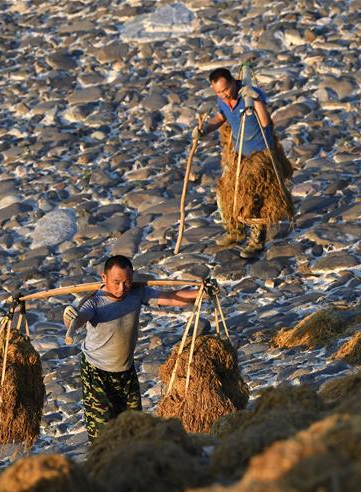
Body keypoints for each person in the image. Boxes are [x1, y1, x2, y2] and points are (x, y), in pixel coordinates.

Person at [62, 255, 205, 443]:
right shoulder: (93, 302)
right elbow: (77, 321)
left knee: (135, 428)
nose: (122, 288)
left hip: (125, 371)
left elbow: (172, 298)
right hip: (97, 373)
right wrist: (69, 317)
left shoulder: (137, 293)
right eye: (116, 282)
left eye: (126, 282)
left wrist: (201, 292)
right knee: (103, 435)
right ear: (104, 278)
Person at [193, 67, 294, 259]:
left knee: (254, 195)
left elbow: (265, 122)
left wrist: (255, 100)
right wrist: (205, 130)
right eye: (218, 92)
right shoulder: (222, 100)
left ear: (233, 82)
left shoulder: (250, 95)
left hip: (260, 154)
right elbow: (222, 117)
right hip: (239, 153)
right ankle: (235, 231)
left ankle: (257, 240)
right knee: (226, 192)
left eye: (225, 89)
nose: (223, 94)